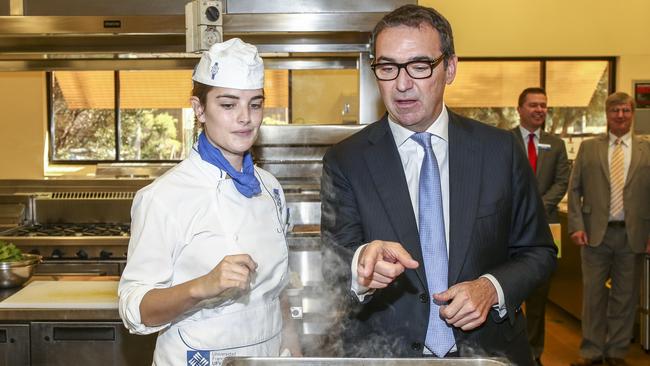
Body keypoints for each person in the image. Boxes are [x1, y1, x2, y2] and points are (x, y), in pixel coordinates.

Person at [320, 4, 557, 366]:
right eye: (387, 68)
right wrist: (360, 265)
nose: (401, 84)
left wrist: (490, 288)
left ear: (450, 68)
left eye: (419, 66)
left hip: (488, 352)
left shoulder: (499, 151)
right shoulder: (347, 160)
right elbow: (335, 262)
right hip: (385, 353)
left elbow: (538, 251)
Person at [118, 38, 298, 365]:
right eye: (228, 105)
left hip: (268, 357)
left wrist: (295, 355)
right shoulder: (163, 197)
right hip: (196, 357)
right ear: (199, 109)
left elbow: (278, 292)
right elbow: (135, 309)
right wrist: (202, 286)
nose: (245, 118)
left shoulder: (270, 188)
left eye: (255, 104)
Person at [568, 92, 650, 366]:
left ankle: (616, 353)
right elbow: (575, 188)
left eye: (626, 110)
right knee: (593, 296)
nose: (620, 115)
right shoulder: (589, 148)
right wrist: (576, 225)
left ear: (632, 113)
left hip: (633, 235)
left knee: (625, 298)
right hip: (594, 235)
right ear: (607, 114)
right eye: (615, 110)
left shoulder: (646, 149)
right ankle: (591, 352)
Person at [512, 87, 570, 365]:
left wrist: (537, 207)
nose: (539, 110)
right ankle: (511, 350)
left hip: (548, 229)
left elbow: (562, 181)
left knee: (538, 297)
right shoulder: (505, 140)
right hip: (509, 228)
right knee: (507, 292)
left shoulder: (556, 144)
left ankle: (535, 353)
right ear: (520, 109)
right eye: (533, 105)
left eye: (544, 105)